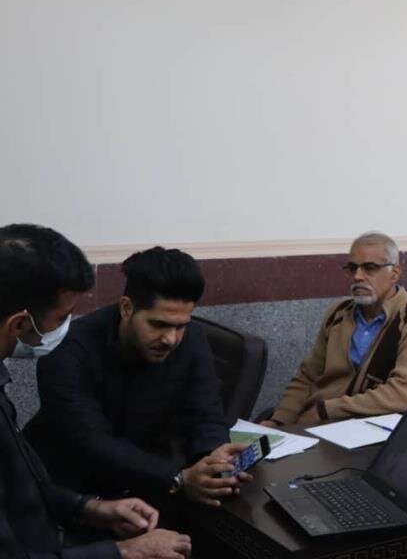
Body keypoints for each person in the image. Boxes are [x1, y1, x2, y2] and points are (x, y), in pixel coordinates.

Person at [0, 223, 191, 558]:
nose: (67, 326)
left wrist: (92, 508)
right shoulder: (74, 354)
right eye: (63, 317)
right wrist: (124, 552)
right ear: (19, 324)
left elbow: (25, 489)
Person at [25, 246, 251, 511]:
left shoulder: (193, 339)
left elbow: (206, 414)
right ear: (126, 308)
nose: (171, 339)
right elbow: (92, 443)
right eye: (158, 324)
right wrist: (178, 478)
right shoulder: (68, 351)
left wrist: (213, 460)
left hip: (146, 482)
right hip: (63, 492)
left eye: (180, 326)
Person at [264, 232, 407, 426]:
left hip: (369, 428)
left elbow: (404, 394)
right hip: (318, 422)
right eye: (353, 268)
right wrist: (278, 421)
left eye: (370, 268)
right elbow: (308, 377)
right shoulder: (338, 313)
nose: (357, 276)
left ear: (395, 273)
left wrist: (326, 410)